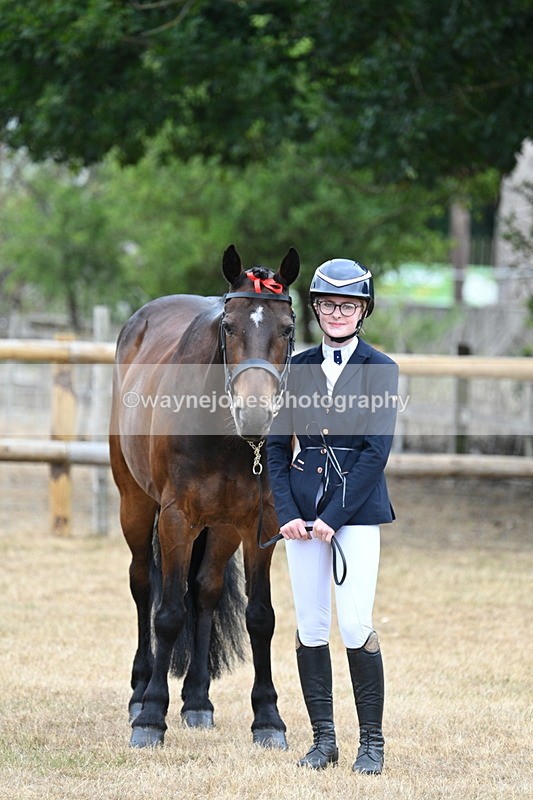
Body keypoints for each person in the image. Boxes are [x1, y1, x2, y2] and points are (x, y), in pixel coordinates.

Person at [266, 258, 398, 775]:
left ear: (362, 310)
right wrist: (289, 513)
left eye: (347, 305)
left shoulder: (380, 369)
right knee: (312, 625)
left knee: (356, 622)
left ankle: (372, 742)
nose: (336, 313)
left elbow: (375, 453)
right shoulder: (294, 368)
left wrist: (334, 518)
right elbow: (277, 450)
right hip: (301, 515)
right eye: (327, 304)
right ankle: (324, 739)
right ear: (315, 309)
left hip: (357, 512)